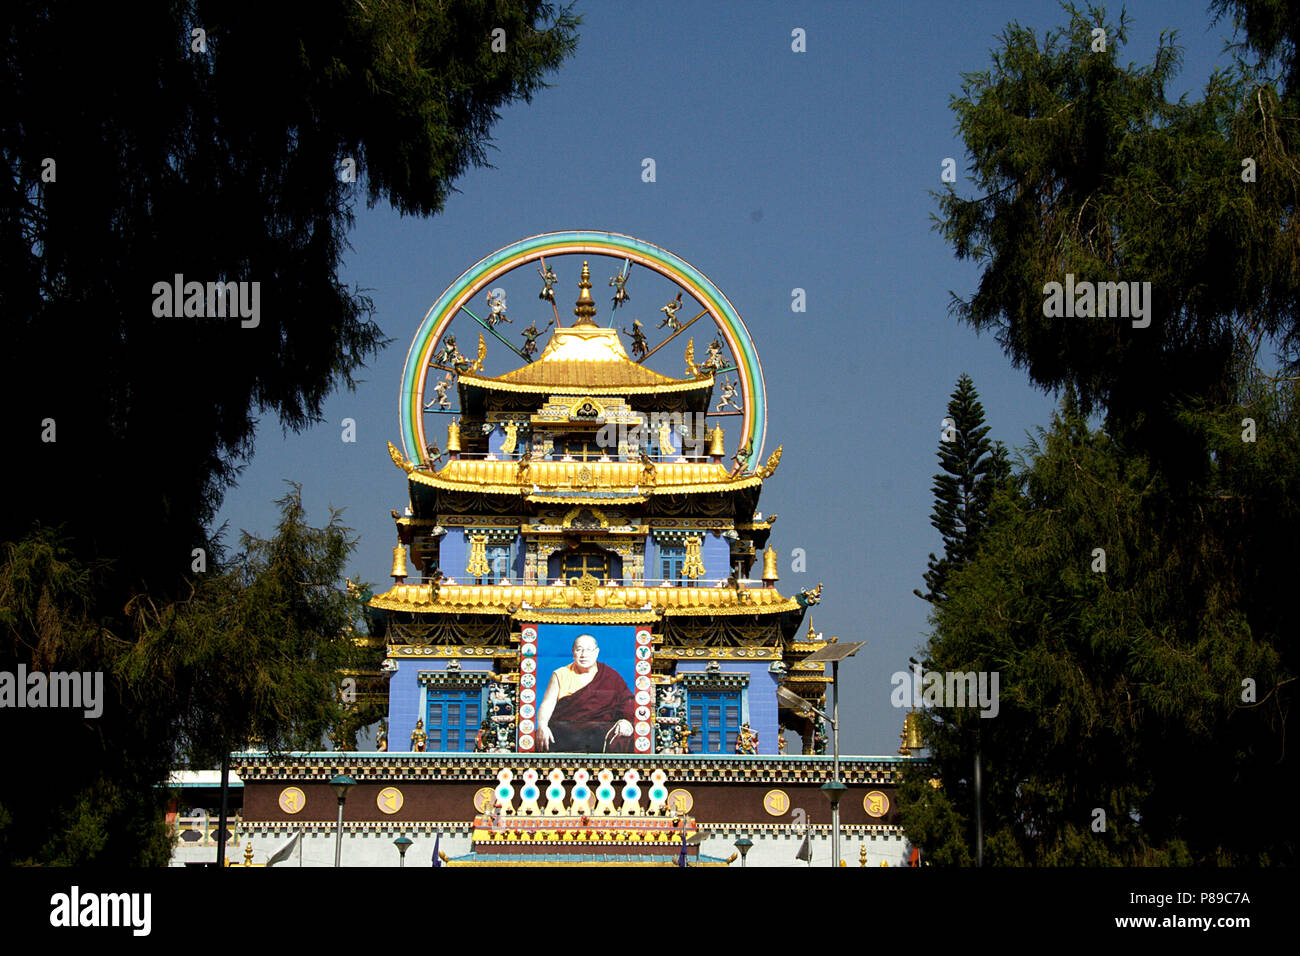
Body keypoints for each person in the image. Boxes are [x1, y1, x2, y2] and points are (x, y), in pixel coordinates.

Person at [537, 634, 636, 752]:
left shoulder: (610, 675)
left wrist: (626, 721)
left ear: (596, 652)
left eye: (589, 650)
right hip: (566, 732)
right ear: (573, 652)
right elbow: (547, 703)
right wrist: (542, 725)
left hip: (600, 731)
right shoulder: (560, 674)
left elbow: (627, 703)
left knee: (626, 741)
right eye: (579, 650)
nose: (584, 655)